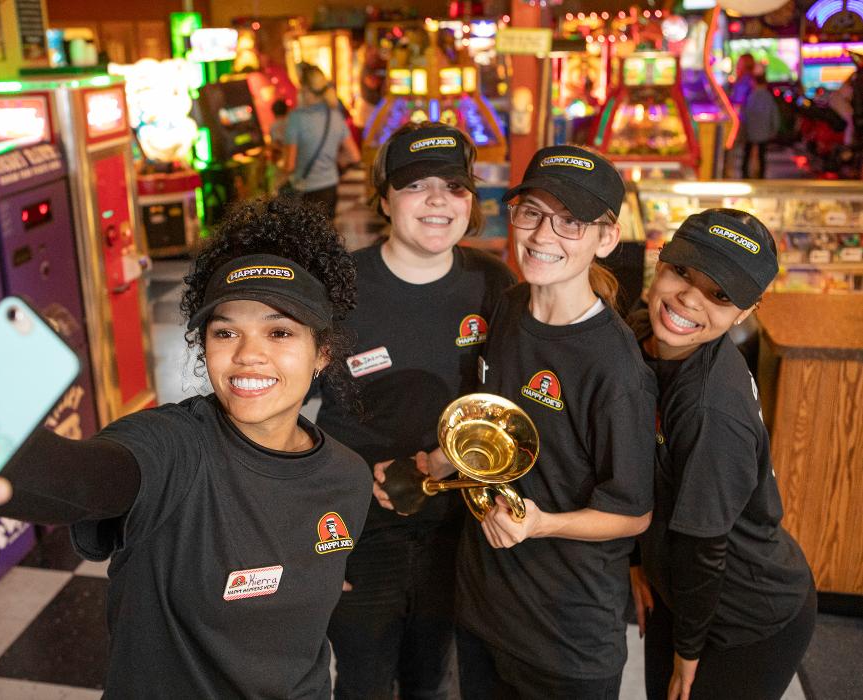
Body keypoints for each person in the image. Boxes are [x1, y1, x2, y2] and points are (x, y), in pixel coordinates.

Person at [0, 197, 373, 698]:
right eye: (225, 333)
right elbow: (80, 477)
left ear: (322, 353)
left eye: (280, 334)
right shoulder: (173, 447)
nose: (247, 355)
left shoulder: (347, 477)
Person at [381, 145, 657, 698]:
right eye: (531, 212)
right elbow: (496, 422)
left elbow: (632, 514)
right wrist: (434, 462)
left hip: (566, 632)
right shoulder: (508, 306)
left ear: (606, 238)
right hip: (484, 604)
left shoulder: (616, 368)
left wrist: (541, 524)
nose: (542, 234)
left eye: (570, 221)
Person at [316, 121, 515, 699]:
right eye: (415, 185)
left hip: (456, 529)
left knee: (431, 682)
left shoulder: (491, 282)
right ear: (383, 198)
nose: (437, 201)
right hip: (359, 529)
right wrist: (315, 527)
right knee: (362, 682)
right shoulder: (340, 286)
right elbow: (282, 412)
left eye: (453, 187)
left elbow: (503, 403)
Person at [628, 209, 816, 700]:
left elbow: (704, 548)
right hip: (683, 592)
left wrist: (688, 651)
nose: (689, 298)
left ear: (746, 311)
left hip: (746, 615)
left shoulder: (713, 412)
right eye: (683, 272)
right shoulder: (638, 334)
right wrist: (636, 560)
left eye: (720, 295)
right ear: (660, 261)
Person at [284, 63, 360, 220]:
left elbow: (289, 165)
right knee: (326, 237)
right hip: (330, 188)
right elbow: (354, 156)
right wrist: (333, 160)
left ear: (305, 90)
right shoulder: (335, 116)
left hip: (304, 190)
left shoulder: (296, 118)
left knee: (304, 241)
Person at [740, 74, 781, 178]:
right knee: (762, 155)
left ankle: (745, 175)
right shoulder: (768, 97)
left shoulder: (750, 96)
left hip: (750, 132)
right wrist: (774, 130)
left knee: (747, 154)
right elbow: (774, 115)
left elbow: (744, 114)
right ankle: (761, 176)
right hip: (764, 132)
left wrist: (743, 130)